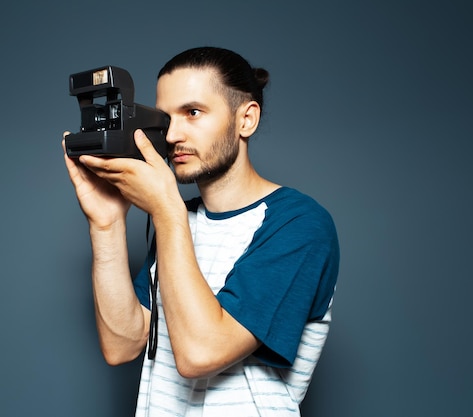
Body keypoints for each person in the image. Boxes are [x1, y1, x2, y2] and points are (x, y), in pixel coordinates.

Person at [62, 46, 340, 416]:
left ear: (246, 120)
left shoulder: (299, 223)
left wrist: (166, 209)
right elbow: (123, 345)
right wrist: (107, 224)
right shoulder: (177, 218)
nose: (173, 134)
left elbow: (200, 354)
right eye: (166, 117)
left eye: (193, 113)